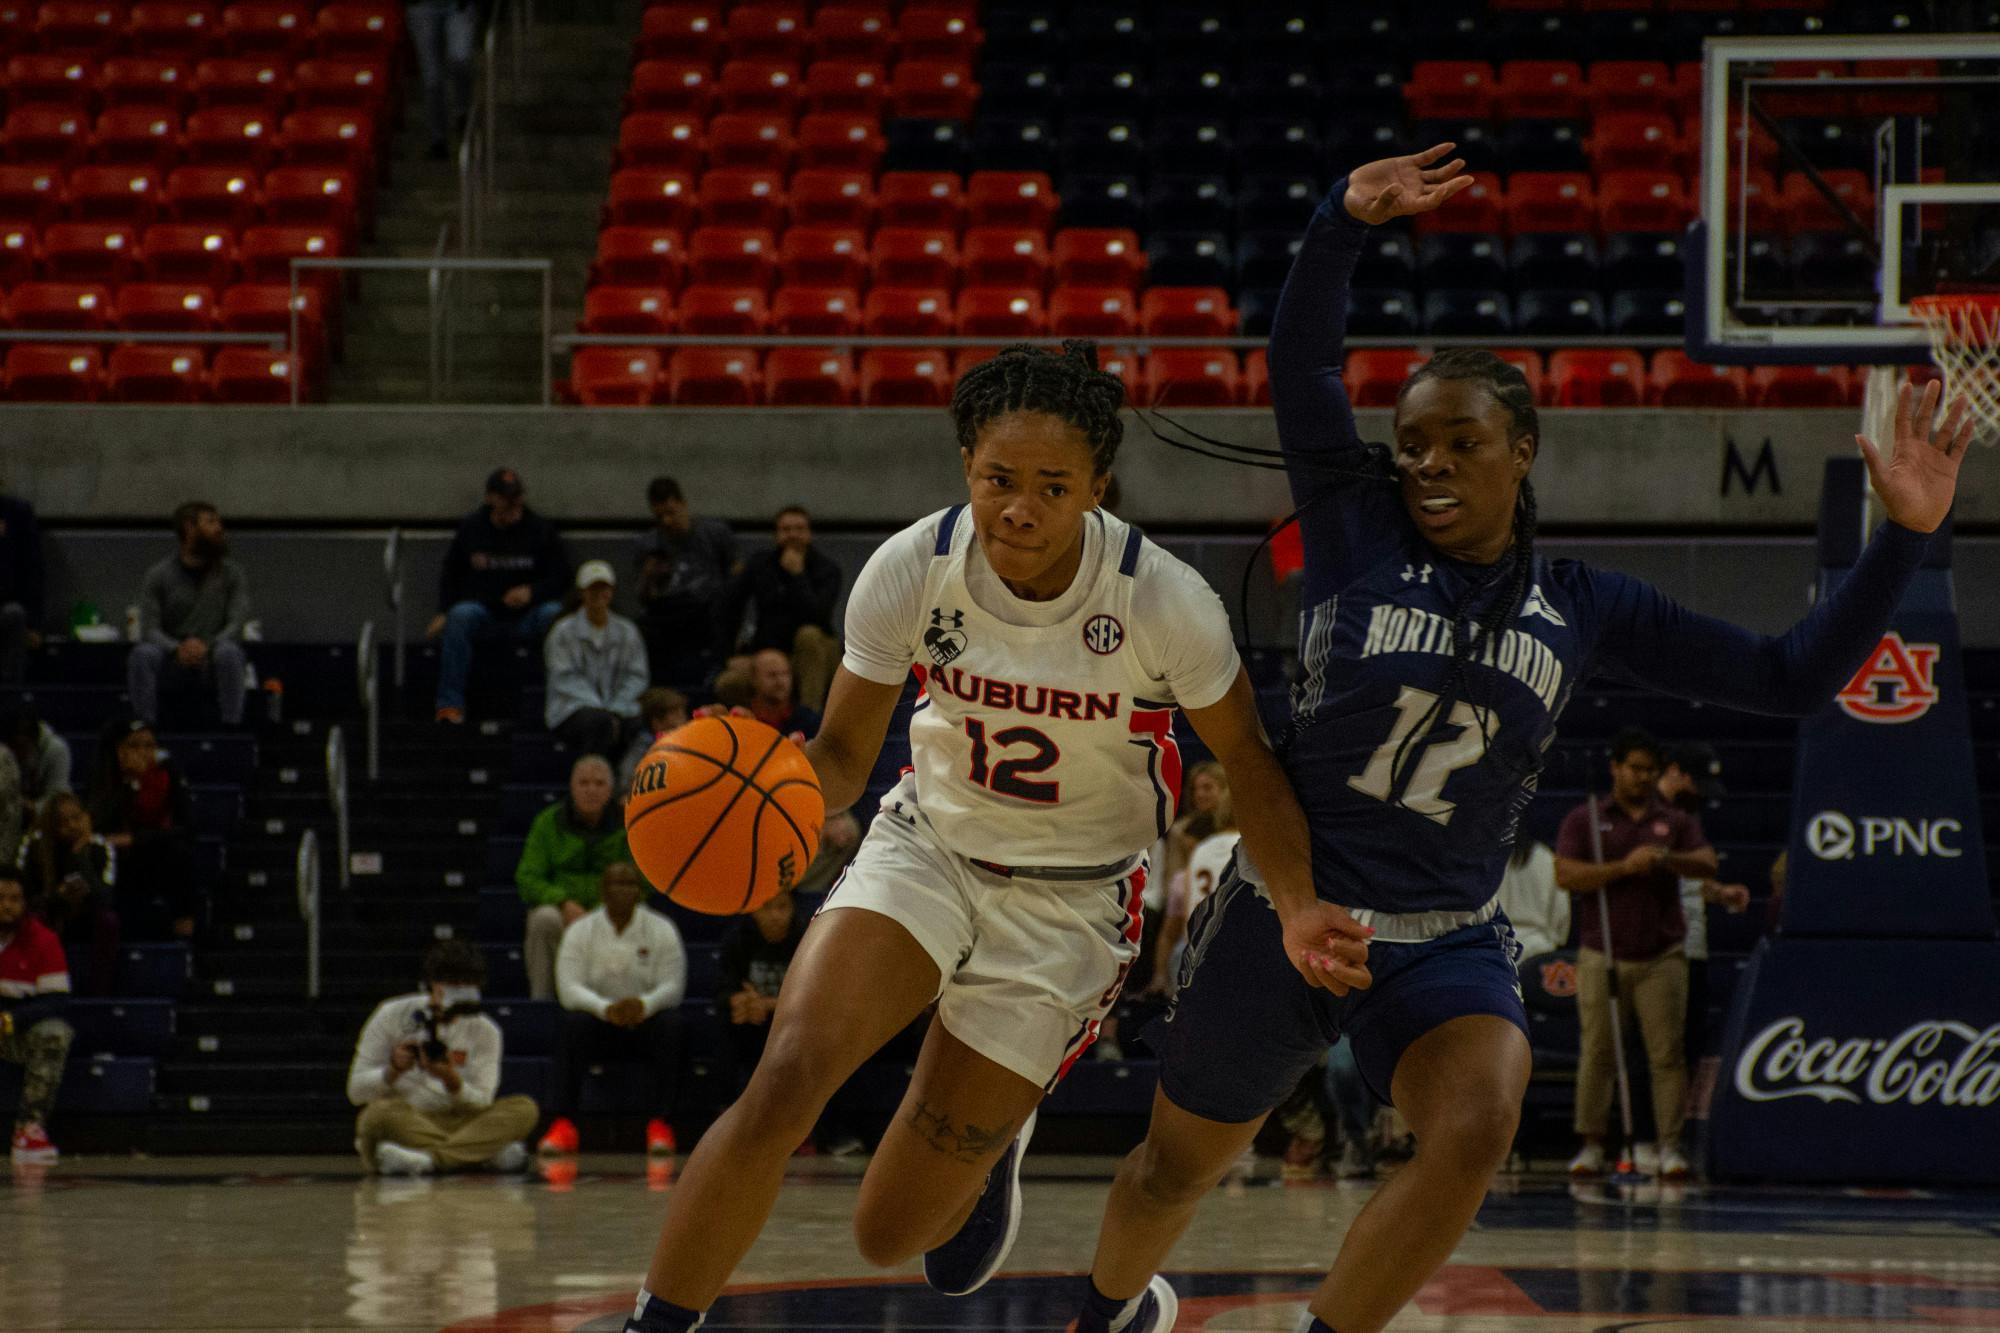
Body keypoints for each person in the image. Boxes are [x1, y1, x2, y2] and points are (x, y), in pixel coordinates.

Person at [1071, 143, 1969, 1333]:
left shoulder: (1583, 603)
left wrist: (1901, 536)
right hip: (1292, 911)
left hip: (1443, 936)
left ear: (1523, 449)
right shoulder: (1353, 526)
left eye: (1460, 443)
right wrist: (1339, 218)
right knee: (1167, 1172)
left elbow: (1788, 678)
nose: (1428, 466)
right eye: (1412, 445)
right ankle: (1103, 1311)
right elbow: (1301, 363)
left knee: (1477, 1123)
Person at [617, 339, 1362, 1333]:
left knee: (889, 1232)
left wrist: (1299, 903)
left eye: (1053, 487)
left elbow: (1252, 766)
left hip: (1071, 899)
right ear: (966, 463)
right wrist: (766, 781)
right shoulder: (912, 567)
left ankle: (998, 1135)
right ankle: (656, 1322)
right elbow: (842, 756)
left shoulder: (1163, 600)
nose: (1019, 507)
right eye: (998, 479)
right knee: (786, 1076)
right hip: (928, 846)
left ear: (1096, 486)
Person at [1553, 729, 1717, 1180]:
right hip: (1601, 952)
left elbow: (1707, 862)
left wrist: (1665, 860)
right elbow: (1566, 875)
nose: (1642, 777)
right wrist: (1624, 868)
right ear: (1616, 768)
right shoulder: (1586, 818)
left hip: (1662, 954)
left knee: (1667, 1055)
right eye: (1635, 768)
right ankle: (1591, 1145)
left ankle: (1670, 1147)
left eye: (1649, 770)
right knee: (1598, 1052)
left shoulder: (1674, 820)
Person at [347, 939, 538, 1176]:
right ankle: (481, 1155)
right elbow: (356, 1092)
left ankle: (430, 1160)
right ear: (433, 984)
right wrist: (393, 1070)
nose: (459, 993)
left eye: (467, 986)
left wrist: (452, 1081)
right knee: (376, 1115)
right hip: (408, 1121)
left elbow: (483, 1101)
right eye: (452, 985)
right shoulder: (391, 1014)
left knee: (524, 1108)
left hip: (460, 1119)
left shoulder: (486, 1031)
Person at [540, 862, 687, 1159]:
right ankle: (564, 1124)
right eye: (616, 884)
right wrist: (605, 1009)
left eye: (630, 884)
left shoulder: (662, 929)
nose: (623, 890)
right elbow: (568, 989)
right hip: (600, 1023)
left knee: (674, 1024)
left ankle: (662, 1124)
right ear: (603, 891)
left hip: (644, 1023)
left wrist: (644, 1005)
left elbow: (673, 987)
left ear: (640, 891)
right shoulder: (581, 931)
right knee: (571, 1023)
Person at [431, 468, 570, 725]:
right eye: (506, 499)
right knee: (460, 616)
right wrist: (443, 610)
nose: (513, 505)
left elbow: (561, 576)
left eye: (517, 498)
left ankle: (561, 701)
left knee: (554, 614)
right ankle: (450, 705)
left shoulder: (540, 529)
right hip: (485, 613)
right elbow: (451, 574)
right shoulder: (472, 528)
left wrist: (532, 592)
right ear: (490, 498)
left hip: (529, 614)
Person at [1656, 741, 1751, 1073]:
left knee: (1689, 1042)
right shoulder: (1640, 813)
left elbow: (1689, 883)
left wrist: (1720, 893)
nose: (1699, 793)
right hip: (1656, 948)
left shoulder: (1687, 817)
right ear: (1674, 772)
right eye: (1694, 782)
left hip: (1692, 943)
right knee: (1657, 1047)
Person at [516, 755, 632, 1000]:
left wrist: (603, 910)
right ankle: (542, 1002)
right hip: (562, 913)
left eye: (599, 783)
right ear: (572, 786)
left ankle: (614, 1005)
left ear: (610, 790)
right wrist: (563, 902)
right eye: (584, 783)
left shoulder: (628, 824)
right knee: (543, 919)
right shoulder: (548, 822)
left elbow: (640, 880)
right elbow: (527, 877)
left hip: (609, 911)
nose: (591, 790)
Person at [127, 501, 250, 727]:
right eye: (211, 522)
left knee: (230, 652)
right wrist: (176, 648)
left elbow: (237, 622)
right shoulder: (158, 575)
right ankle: (145, 728)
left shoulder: (232, 574)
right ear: (189, 528)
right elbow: (150, 628)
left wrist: (208, 646)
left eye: (219, 522)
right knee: (142, 654)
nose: (219, 528)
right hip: (172, 659)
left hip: (212, 658)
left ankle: (231, 728)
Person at [719, 505, 844, 712]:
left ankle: (808, 718)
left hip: (815, 654)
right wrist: (729, 655)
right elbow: (729, 605)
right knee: (727, 682)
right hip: (769, 654)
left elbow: (818, 616)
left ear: (809, 534)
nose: (793, 534)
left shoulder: (828, 569)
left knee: (809, 635)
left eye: (799, 529)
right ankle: (742, 726)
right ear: (776, 535)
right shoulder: (761, 564)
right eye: (786, 529)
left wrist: (797, 577)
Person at [86, 717, 197, 940]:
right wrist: (130, 785)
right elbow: (98, 822)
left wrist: (136, 839)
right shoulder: (105, 777)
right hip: (117, 859)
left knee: (179, 853)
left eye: (149, 746)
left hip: (155, 851)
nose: (143, 753)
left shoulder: (168, 775)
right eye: (134, 746)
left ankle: (183, 931)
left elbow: (187, 829)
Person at [634, 477, 738, 689]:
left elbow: (738, 579)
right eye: (660, 516)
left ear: (683, 504)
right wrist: (649, 576)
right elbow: (643, 599)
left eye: (671, 513)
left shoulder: (715, 533)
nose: (667, 521)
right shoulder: (649, 543)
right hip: (670, 612)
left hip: (708, 609)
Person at [544, 560, 649, 762]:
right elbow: (564, 678)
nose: (599, 594)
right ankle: (593, 777)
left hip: (620, 706)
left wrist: (616, 707)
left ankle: (626, 779)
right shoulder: (562, 632)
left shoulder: (627, 631)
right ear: (581, 592)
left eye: (604, 588)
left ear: (612, 591)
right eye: (593, 588)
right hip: (572, 708)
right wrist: (601, 709)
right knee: (599, 723)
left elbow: (637, 676)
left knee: (637, 725)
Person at [1146, 762, 1235, 997]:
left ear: (1225, 791)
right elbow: (1176, 883)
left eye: (1208, 787)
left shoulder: (1216, 844)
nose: (1200, 794)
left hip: (1196, 938)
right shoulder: (1183, 831)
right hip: (1199, 918)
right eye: (1196, 788)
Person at [0, 869, 70, 1164]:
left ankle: (29, 1129)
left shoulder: (43, 940)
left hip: (17, 1030)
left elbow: (56, 1001)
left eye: (14, 899)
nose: (6, 906)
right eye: (0, 898)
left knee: (55, 1032)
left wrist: (10, 1020)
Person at [17, 793, 118, 996]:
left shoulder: (100, 847)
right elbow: (21, 899)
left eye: (76, 818)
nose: (71, 825)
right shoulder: (33, 845)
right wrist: (57, 896)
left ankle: (99, 992)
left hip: (85, 918)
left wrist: (80, 855)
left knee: (108, 921)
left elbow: (105, 899)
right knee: (33, 919)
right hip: (50, 913)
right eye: (64, 822)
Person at [406, 0, 475, 160]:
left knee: (460, 59)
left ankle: (463, 111)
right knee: (432, 80)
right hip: (422, 7)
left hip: (458, 7)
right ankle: (438, 140)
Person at [1495, 835, 1568, 960]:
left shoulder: (1485, 858)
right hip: (1539, 947)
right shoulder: (1544, 855)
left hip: (1496, 945)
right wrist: (1556, 939)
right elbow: (1561, 910)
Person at [0, 486, 42, 685]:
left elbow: (32, 571)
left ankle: (10, 693)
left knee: (14, 614)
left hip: (6, 607)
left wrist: (34, 624)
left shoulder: (16, 513)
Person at [2, 705, 72, 821]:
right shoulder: (5, 753)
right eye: (13, 747)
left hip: (48, 819)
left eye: (21, 747)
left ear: (34, 739)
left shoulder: (56, 749)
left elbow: (57, 799)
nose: (17, 754)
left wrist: (28, 806)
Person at [615, 687, 690, 794]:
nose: (683, 719)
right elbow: (626, 784)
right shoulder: (643, 748)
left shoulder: (688, 743)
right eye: (676, 714)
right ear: (657, 722)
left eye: (682, 713)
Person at [744, 647, 821, 739]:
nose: (780, 681)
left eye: (785, 674)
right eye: (772, 675)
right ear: (754, 679)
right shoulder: (742, 718)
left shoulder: (809, 721)